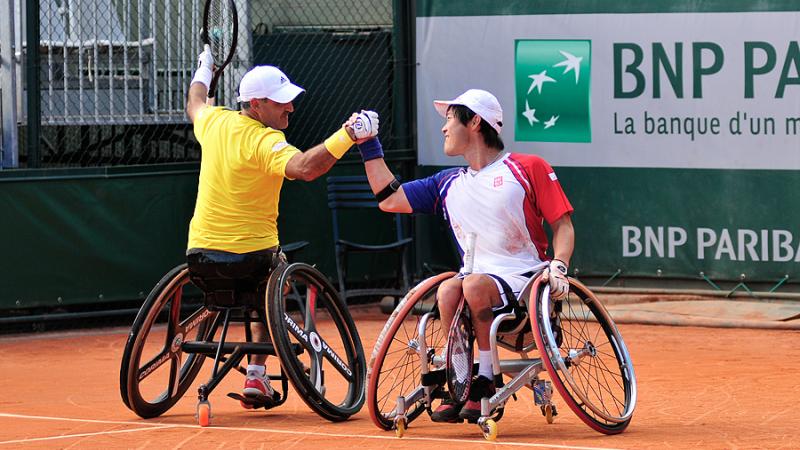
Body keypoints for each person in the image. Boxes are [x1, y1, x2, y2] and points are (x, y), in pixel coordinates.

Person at [350, 89, 574, 422]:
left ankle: (487, 378)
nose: (443, 128)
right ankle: (461, 376)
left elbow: (564, 225)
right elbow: (389, 199)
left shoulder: (528, 167)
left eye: (450, 119)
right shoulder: (448, 182)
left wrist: (560, 266)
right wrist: (369, 143)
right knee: (449, 288)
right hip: (476, 282)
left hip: (525, 282)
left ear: (474, 121)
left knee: (471, 285)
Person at [185, 46, 378, 407]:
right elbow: (305, 168)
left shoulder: (214, 122)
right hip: (253, 260)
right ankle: (256, 375)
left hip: (198, 258)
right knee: (273, 279)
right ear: (256, 105)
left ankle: (253, 373)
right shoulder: (266, 140)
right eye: (280, 102)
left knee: (259, 280)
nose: (290, 107)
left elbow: (195, 102)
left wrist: (204, 69)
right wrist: (347, 136)